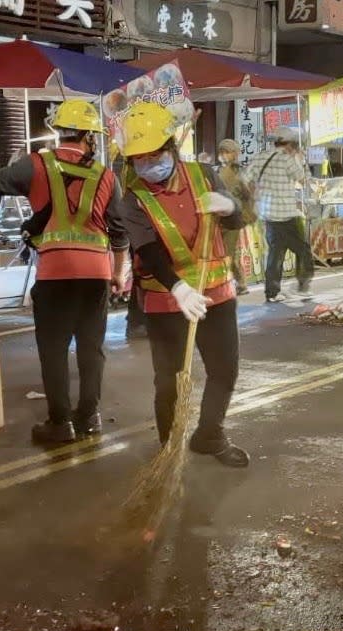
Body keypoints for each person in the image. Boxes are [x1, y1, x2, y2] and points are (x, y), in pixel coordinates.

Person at [0, 99, 129, 445]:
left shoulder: (38, 165)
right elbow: (119, 233)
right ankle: (89, 417)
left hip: (55, 274)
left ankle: (61, 423)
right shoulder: (106, 177)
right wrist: (119, 273)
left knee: (54, 349)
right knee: (92, 349)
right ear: (89, 137)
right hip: (95, 275)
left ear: (60, 132)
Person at [119, 102, 248, 468]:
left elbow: (236, 221)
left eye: (154, 154)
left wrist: (228, 207)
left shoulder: (204, 174)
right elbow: (148, 251)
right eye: (138, 159)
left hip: (217, 293)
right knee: (171, 382)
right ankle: (168, 446)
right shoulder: (133, 200)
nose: (147, 164)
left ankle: (209, 435)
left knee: (225, 370)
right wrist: (179, 289)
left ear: (172, 148)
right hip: (166, 301)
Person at [245, 126, 313, 303]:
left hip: (268, 215)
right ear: (290, 145)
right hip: (287, 215)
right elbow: (302, 178)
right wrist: (302, 161)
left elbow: (246, 179)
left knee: (275, 254)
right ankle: (302, 286)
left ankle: (272, 292)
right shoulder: (287, 159)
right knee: (304, 250)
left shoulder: (260, 157)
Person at [216, 138, 253, 295]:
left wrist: (246, 214)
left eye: (228, 152)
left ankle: (232, 284)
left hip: (233, 218)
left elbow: (248, 195)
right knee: (222, 252)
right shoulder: (217, 171)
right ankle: (239, 282)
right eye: (222, 152)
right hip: (219, 217)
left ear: (235, 154)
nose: (224, 155)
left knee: (228, 253)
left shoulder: (240, 172)